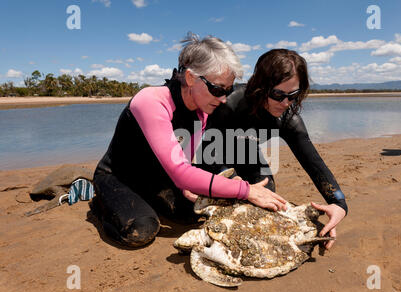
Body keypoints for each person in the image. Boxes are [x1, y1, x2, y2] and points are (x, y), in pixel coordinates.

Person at [92, 34, 287, 248]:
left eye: (228, 91)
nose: (223, 99)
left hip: (158, 179)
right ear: (191, 78)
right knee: (141, 231)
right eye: (217, 89)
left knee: (190, 215)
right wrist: (246, 190)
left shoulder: (201, 110)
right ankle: (99, 204)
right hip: (118, 178)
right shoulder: (151, 101)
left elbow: (183, 161)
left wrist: (198, 186)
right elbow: (180, 171)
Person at [204, 48, 348, 249]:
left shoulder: (288, 118)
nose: (285, 103)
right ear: (261, 87)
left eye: (293, 95)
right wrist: (232, 181)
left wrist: (339, 204)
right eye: (278, 94)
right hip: (216, 156)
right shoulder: (231, 103)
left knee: (268, 199)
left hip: (248, 154)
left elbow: (313, 163)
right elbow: (207, 149)